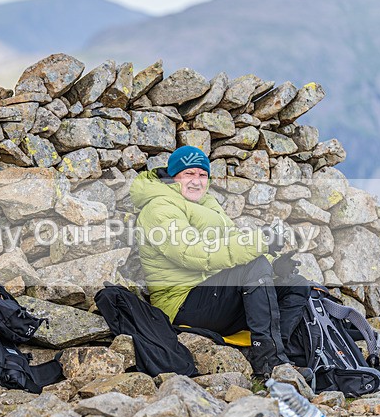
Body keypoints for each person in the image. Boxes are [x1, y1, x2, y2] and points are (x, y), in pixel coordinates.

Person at [130, 145, 312, 378]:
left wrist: (273, 263)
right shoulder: (158, 207)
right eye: (189, 174)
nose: (196, 181)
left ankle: (278, 355)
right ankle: (270, 363)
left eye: (202, 175)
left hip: (212, 295)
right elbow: (192, 253)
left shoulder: (206, 204)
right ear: (173, 176)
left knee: (296, 285)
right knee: (253, 267)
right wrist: (260, 243)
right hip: (181, 304)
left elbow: (234, 241)